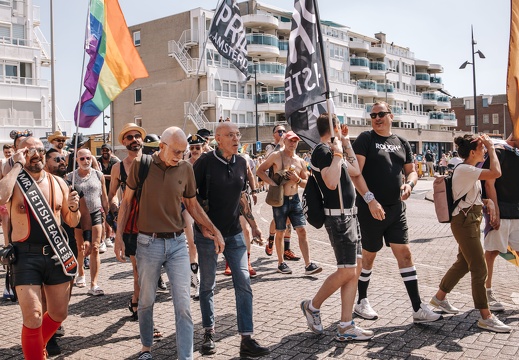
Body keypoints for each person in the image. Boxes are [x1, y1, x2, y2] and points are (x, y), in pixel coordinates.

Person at [114, 126, 224, 360]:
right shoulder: (141, 165)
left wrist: (214, 229)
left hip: (177, 244)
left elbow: (192, 205)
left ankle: (185, 356)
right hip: (147, 243)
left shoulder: (185, 168)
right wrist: (119, 236)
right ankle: (146, 348)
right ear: (162, 146)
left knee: (183, 303)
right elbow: (125, 203)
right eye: (176, 152)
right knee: (146, 300)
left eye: (183, 152)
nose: (180, 157)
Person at [352, 101, 441, 323]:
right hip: (370, 209)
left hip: (396, 209)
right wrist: (370, 200)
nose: (376, 118)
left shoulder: (401, 142)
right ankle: (361, 301)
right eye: (372, 115)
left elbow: (411, 172)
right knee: (369, 257)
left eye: (381, 114)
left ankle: (418, 308)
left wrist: (409, 185)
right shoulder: (366, 139)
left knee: (405, 254)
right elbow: (355, 174)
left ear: (391, 115)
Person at [0, 136, 81, 360]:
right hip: (25, 255)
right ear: (19, 153)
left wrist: (74, 209)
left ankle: (35, 347)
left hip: (56, 253)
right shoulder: (14, 180)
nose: (35, 153)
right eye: (28, 151)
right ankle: (35, 354)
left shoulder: (59, 183)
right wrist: (16, 165)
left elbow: (72, 221)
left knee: (58, 313)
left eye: (39, 149)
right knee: (34, 316)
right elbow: (0, 197)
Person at [193, 122, 269, 358]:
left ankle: (246, 338)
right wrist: (207, 228)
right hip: (206, 235)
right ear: (217, 138)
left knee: (244, 282)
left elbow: (242, 197)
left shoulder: (242, 162)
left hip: (235, 233)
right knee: (207, 285)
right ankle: (209, 332)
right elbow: (191, 200)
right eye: (231, 135)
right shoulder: (203, 163)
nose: (236, 139)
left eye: (238, 134)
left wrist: (254, 226)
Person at [301, 113, 373, 341]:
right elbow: (331, 182)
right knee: (346, 271)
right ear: (331, 128)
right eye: (339, 125)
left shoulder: (334, 150)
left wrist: (346, 142)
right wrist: (338, 152)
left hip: (351, 216)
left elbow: (355, 170)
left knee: (354, 269)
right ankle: (312, 306)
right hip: (338, 218)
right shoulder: (322, 152)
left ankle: (345, 325)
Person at [429, 134, 511, 333]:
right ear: (472, 152)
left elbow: (469, 198)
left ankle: (439, 298)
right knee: (479, 268)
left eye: (485, 148)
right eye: (481, 148)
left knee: (464, 263)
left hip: (470, 220)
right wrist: (492, 148)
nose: (484, 150)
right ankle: (485, 316)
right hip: (464, 223)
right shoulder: (466, 169)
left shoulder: (469, 171)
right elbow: (496, 173)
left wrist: (487, 202)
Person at [43, 148, 92, 355]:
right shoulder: (37, 187)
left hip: (68, 244)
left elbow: (85, 212)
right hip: (44, 247)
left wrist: (88, 238)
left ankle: (55, 319)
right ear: (46, 163)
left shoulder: (71, 187)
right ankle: (49, 337)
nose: (62, 162)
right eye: (57, 160)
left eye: (63, 159)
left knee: (65, 292)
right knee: (45, 292)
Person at [257, 131, 322, 275]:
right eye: (290, 140)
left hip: (295, 200)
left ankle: (308, 264)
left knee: (302, 230)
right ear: (284, 141)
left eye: (295, 141)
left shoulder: (299, 161)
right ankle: (281, 263)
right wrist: (272, 183)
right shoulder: (276, 156)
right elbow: (260, 170)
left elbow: (307, 183)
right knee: (280, 231)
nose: (293, 144)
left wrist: (297, 180)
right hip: (280, 200)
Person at [482, 136, 519, 312]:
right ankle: (486, 292)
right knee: (492, 252)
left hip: (517, 212)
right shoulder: (497, 150)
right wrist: (494, 209)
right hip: (502, 211)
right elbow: (490, 182)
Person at [67, 148, 108, 295]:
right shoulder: (70, 177)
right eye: (82, 159)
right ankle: (81, 273)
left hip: (96, 213)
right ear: (77, 160)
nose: (86, 161)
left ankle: (94, 284)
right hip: (78, 215)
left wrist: (107, 214)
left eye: (88, 158)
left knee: (95, 248)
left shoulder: (98, 175)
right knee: (80, 247)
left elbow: (104, 196)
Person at [263, 125, 300, 262]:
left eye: (284, 131)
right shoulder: (271, 148)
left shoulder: (289, 148)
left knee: (288, 220)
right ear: (274, 134)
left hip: (290, 188)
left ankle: (287, 249)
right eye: (279, 131)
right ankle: (271, 240)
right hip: (277, 189)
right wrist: (280, 144)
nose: (282, 133)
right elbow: (266, 163)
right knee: (278, 219)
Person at [97, 143, 119, 249]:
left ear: (111, 151)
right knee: (104, 215)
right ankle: (106, 238)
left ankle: (117, 236)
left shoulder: (115, 162)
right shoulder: (98, 162)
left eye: (107, 150)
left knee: (114, 214)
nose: (105, 152)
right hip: (101, 192)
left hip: (113, 191)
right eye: (103, 150)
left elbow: (117, 177)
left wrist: (102, 176)